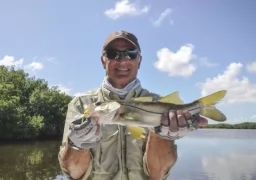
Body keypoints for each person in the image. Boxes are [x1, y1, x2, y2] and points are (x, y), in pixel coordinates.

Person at [58, 30, 208, 180]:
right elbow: (73, 173)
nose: (122, 60)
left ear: (140, 61)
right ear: (103, 61)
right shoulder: (80, 104)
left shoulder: (160, 104)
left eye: (131, 53)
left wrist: (160, 135)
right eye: (112, 53)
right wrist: (77, 145)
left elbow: (158, 174)